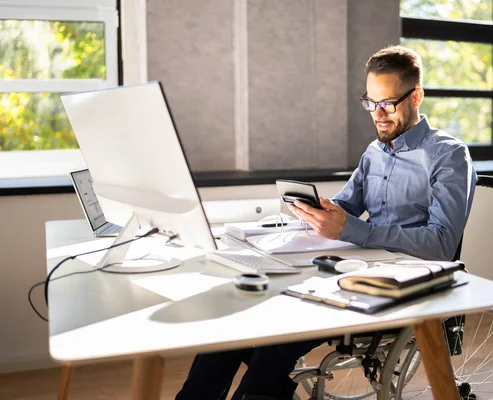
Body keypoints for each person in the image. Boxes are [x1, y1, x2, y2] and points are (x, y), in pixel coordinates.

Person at [175, 45, 476, 400]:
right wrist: (315, 211)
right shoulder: (374, 152)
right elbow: (347, 206)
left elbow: (440, 243)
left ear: (417, 96)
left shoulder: (449, 155)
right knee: (234, 324)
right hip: (352, 271)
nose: (378, 114)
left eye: (387, 104)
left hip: (403, 285)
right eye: (370, 103)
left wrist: (351, 229)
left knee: (277, 344)